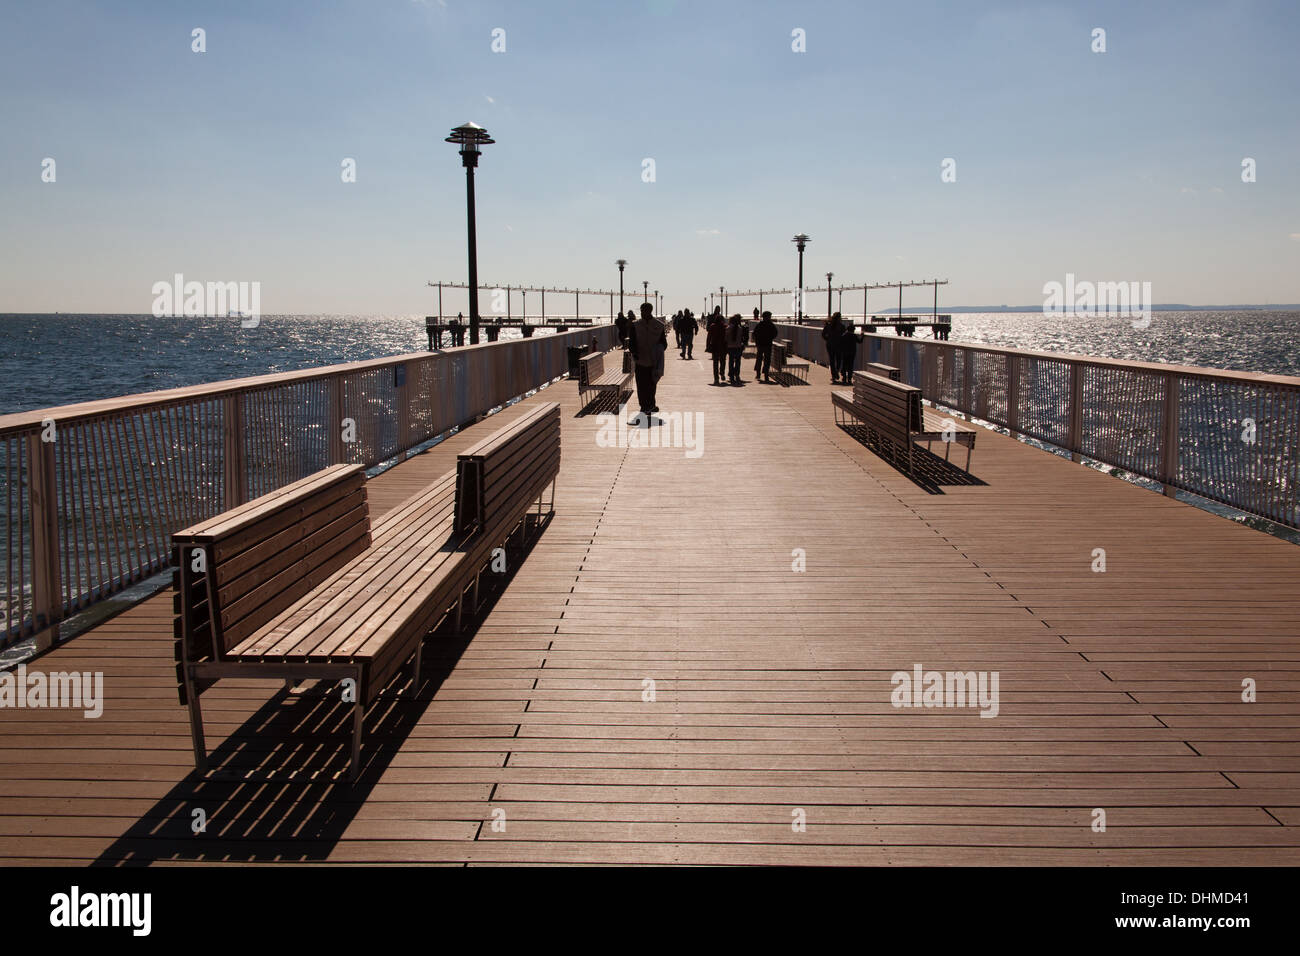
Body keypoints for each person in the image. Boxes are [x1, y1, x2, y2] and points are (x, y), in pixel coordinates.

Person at [627, 301, 666, 422]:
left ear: (650, 311)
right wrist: (634, 353)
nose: (643, 313)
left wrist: (657, 352)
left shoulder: (659, 325)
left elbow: (664, 344)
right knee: (642, 385)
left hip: (653, 362)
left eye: (644, 311)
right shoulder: (635, 325)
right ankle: (645, 406)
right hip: (640, 361)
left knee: (651, 385)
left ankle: (648, 406)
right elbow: (631, 343)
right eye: (642, 311)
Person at [753, 310, 778, 382]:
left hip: (760, 345)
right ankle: (766, 375)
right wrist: (770, 338)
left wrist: (757, 341)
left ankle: (758, 374)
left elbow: (755, 334)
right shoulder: (771, 325)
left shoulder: (759, 325)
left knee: (759, 359)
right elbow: (775, 333)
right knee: (767, 360)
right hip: (767, 344)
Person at [822, 312, 844, 382]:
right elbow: (844, 335)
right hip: (839, 345)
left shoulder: (828, 325)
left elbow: (823, 334)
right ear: (839, 318)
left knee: (832, 360)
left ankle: (833, 375)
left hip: (830, 345)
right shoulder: (841, 326)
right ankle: (836, 372)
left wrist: (827, 339)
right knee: (838, 360)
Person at [705, 311, 727, 385]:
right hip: (723, 347)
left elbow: (709, 337)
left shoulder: (712, 326)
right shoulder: (725, 326)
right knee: (723, 361)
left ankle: (716, 378)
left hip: (715, 346)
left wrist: (707, 345)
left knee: (715, 363)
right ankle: (722, 373)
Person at [725, 314, 745, 385]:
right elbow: (741, 338)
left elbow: (726, 338)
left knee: (731, 362)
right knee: (738, 362)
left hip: (730, 347)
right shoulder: (739, 328)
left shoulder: (728, 328)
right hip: (738, 347)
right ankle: (737, 375)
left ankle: (731, 375)